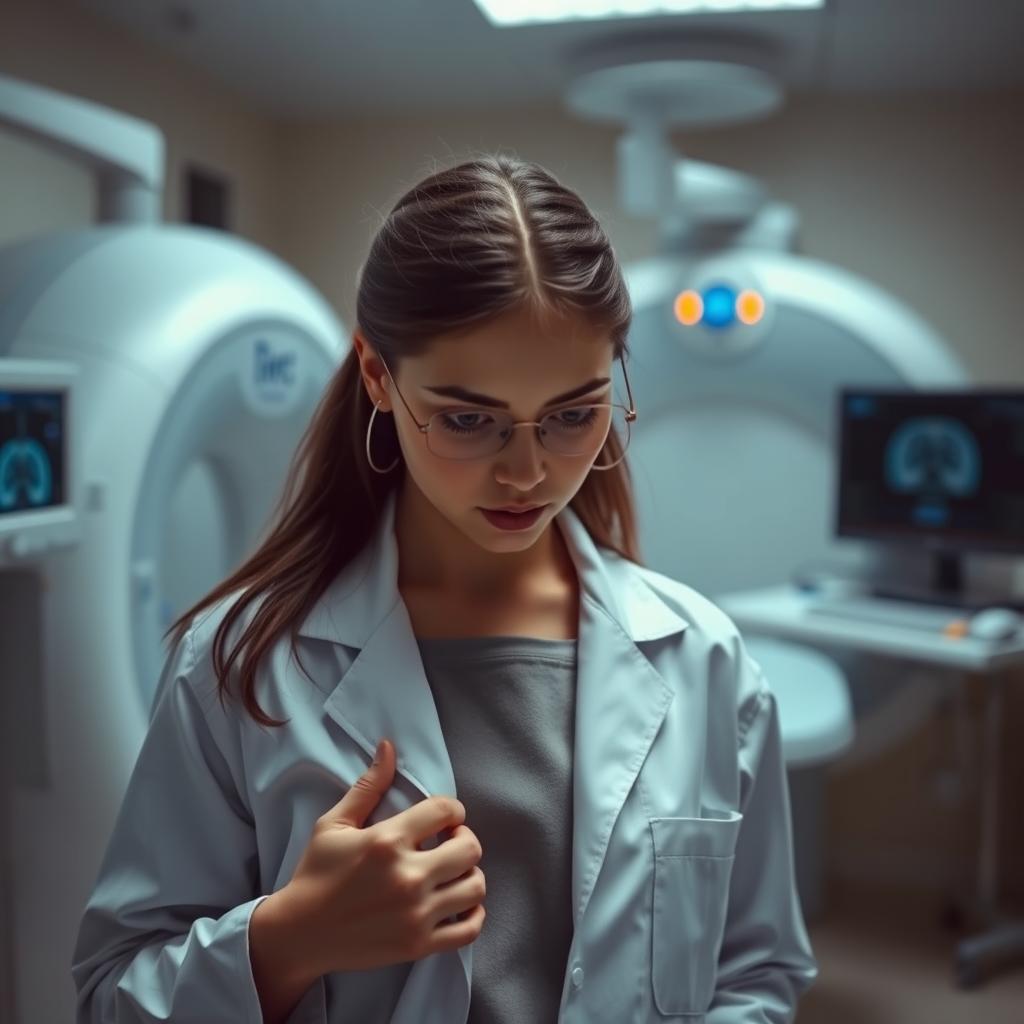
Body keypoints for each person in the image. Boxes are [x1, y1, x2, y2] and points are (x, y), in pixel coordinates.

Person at [71, 154, 818, 1023]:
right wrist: (291, 939)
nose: (529, 472)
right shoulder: (239, 667)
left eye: (575, 414)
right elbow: (108, 999)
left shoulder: (708, 664)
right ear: (379, 378)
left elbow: (756, 976)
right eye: (469, 419)